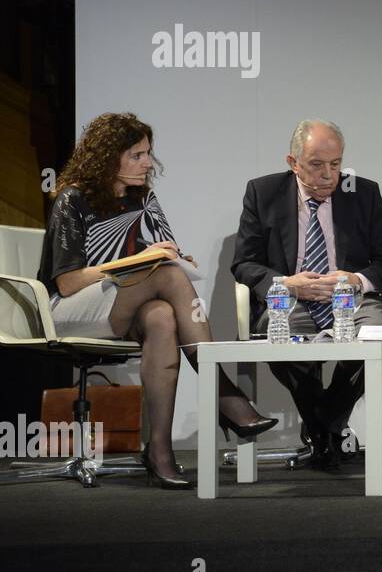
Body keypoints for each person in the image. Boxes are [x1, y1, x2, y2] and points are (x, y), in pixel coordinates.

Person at [38, 113, 276, 490]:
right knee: (166, 276)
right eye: (136, 155)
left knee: (163, 315)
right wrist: (140, 263)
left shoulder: (142, 197)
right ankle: (224, 393)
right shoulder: (73, 199)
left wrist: (177, 257)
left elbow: (164, 256)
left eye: (147, 153)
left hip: (124, 306)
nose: (147, 163)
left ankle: (159, 451)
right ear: (107, 156)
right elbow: (67, 283)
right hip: (68, 310)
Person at [231, 120, 382, 471]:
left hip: (351, 299)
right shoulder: (263, 193)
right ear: (293, 162)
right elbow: (244, 264)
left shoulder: (363, 193)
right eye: (316, 164)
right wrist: (287, 283)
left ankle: (321, 423)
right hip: (290, 299)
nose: (329, 175)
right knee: (282, 340)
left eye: (336, 164)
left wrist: (354, 278)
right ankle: (329, 429)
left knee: (375, 337)